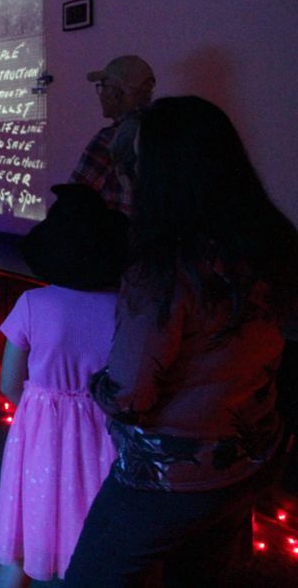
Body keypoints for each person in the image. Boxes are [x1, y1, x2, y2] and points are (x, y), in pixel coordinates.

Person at [65, 96, 298, 586]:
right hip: (248, 459)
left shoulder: (162, 269)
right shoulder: (274, 241)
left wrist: (95, 384)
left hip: (169, 477)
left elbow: (130, 396)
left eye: (131, 170)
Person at [0, 184, 127, 588]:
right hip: (104, 437)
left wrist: (43, 407)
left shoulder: (32, 305)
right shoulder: (123, 308)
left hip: (41, 438)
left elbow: (9, 384)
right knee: (97, 541)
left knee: (23, 547)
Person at [70, 55, 155, 215]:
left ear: (117, 94)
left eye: (103, 86)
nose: (101, 94)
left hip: (120, 236)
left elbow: (73, 198)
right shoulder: (166, 131)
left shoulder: (108, 140)